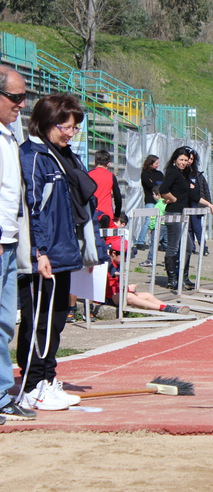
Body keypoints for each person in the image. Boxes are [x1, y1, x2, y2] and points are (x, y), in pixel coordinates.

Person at [18, 93, 107, 411]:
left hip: (67, 251)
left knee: (56, 321)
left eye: (74, 128)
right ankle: (32, 385)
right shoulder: (33, 156)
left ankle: (48, 378)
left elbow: (82, 206)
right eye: (65, 127)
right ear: (45, 123)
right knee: (38, 321)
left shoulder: (68, 156)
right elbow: (32, 209)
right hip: (45, 254)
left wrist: (92, 251)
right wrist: (39, 252)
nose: (70, 133)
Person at [0, 66, 37, 423]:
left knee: (5, 322)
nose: (21, 104)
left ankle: (1, 395)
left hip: (10, 241)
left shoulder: (10, 134)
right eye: (15, 98)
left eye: (24, 96)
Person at [159, 146, 213, 290]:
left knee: (189, 247)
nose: (184, 162)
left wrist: (209, 204)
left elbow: (194, 196)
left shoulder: (183, 175)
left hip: (184, 214)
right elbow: (162, 189)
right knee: (173, 246)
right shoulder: (172, 173)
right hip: (174, 214)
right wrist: (172, 199)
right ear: (175, 160)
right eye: (181, 160)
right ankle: (172, 279)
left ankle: (183, 277)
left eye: (186, 160)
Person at [105, 238, 189, 314]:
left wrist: (127, 289)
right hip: (108, 298)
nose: (127, 259)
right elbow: (108, 289)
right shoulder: (107, 265)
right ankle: (163, 308)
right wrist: (127, 289)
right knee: (129, 296)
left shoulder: (118, 264)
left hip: (117, 294)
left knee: (147, 295)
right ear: (113, 253)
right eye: (125, 256)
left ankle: (167, 306)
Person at [135, 154, 165, 249]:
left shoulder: (159, 174)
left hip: (160, 200)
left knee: (160, 220)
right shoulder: (145, 174)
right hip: (150, 199)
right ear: (150, 163)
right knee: (149, 220)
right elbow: (150, 185)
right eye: (156, 163)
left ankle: (159, 241)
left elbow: (162, 185)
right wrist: (156, 185)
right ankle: (140, 241)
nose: (158, 165)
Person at [185, 148, 211, 256]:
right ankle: (191, 247)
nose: (189, 161)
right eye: (187, 159)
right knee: (189, 227)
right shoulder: (181, 174)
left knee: (197, 227)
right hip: (186, 203)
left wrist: (208, 203)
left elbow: (205, 189)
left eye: (191, 159)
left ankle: (203, 247)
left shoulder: (198, 175)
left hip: (197, 204)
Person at [88, 149, 122, 230]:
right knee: (106, 240)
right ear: (108, 163)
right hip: (107, 214)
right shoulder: (111, 176)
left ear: (95, 161)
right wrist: (117, 215)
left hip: (92, 212)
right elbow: (118, 198)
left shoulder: (88, 175)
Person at [140, 189, 167, 268]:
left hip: (158, 226)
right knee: (167, 244)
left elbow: (153, 218)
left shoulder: (157, 205)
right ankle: (173, 258)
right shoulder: (166, 203)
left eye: (153, 194)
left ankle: (150, 260)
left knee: (154, 244)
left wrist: (151, 227)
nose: (153, 196)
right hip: (166, 225)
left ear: (158, 195)